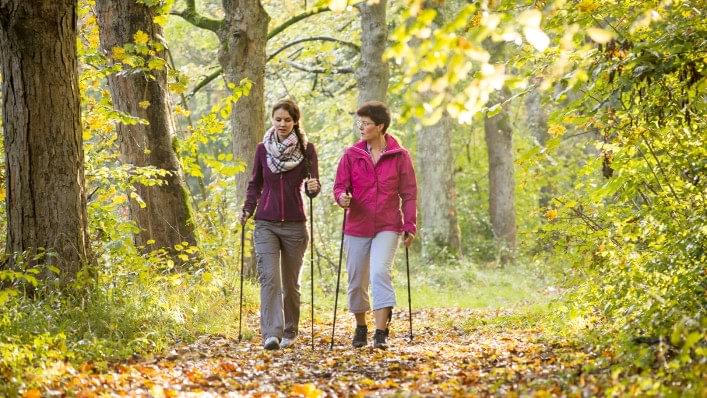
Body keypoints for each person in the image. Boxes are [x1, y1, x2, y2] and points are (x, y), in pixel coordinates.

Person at [333, 101, 417, 349]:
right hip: (357, 225)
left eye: (367, 123)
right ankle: (361, 326)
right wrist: (342, 198)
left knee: (380, 272)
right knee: (357, 279)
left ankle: (381, 333)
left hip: (388, 225)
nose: (362, 127)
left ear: (380, 126)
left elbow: (409, 193)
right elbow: (339, 187)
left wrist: (409, 225)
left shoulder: (400, 156)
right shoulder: (351, 154)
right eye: (360, 122)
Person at [240, 99, 320, 350]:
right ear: (272, 120)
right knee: (270, 279)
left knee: (290, 283)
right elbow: (255, 184)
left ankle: (290, 330)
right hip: (265, 223)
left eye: (287, 119)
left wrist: (313, 189)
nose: (282, 123)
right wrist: (247, 210)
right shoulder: (263, 149)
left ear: (295, 121)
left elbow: (312, 187)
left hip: (295, 225)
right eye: (278, 119)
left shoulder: (307, 150)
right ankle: (271, 334)